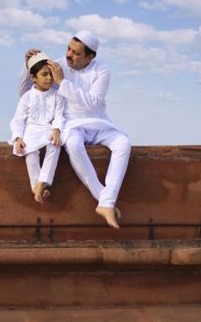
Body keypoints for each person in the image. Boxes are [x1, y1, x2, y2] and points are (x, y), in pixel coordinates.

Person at [19, 31, 132, 228]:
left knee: (123, 143)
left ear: (90, 57)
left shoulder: (102, 71)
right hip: (70, 124)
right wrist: (27, 65)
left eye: (76, 53)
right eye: (68, 49)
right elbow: (28, 94)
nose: (69, 55)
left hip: (98, 122)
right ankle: (105, 202)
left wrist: (62, 82)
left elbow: (93, 104)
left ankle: (106, 202)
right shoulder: (57, 63)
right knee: (72, 144)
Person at [10, 51, 66, 204]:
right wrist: (18, 137)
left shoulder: (58, 95)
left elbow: (60, 116)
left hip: (49, 129)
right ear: (33, 78)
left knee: (55, 145)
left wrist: (56, 130)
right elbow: (18, 119)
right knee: (30, 152)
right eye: (44, 74)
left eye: (50, 74)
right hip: (32, 130)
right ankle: (36, 187)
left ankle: (42, 183)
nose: (49, 78)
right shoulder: (27, 97)